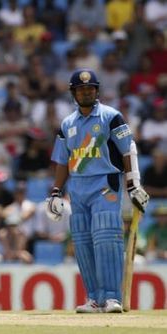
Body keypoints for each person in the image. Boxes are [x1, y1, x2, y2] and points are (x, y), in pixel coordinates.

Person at [47, 69, 150, 314]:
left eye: (90, 89)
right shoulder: (67, 124)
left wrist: (133, 183)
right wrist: (55, 191)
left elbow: (129, 150)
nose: (86, 92)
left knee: (106, 237)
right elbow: (63, 161)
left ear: (97, 91)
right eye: (81, 89)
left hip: (106, 183)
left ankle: (112, 297)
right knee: (82, 242)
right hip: (78, 187)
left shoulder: (111, 116)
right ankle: (94, 298)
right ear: (73, 93)